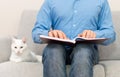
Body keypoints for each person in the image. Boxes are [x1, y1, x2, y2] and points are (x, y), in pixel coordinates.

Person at [32, 0, 116, 77]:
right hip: (57, 50)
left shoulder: (101, 1)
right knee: (53, 50)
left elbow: (110, 34)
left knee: (83, 51)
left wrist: (95, 34)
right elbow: (36, 32)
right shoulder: (51, 1)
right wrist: (49, 34)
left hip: (87, 51)